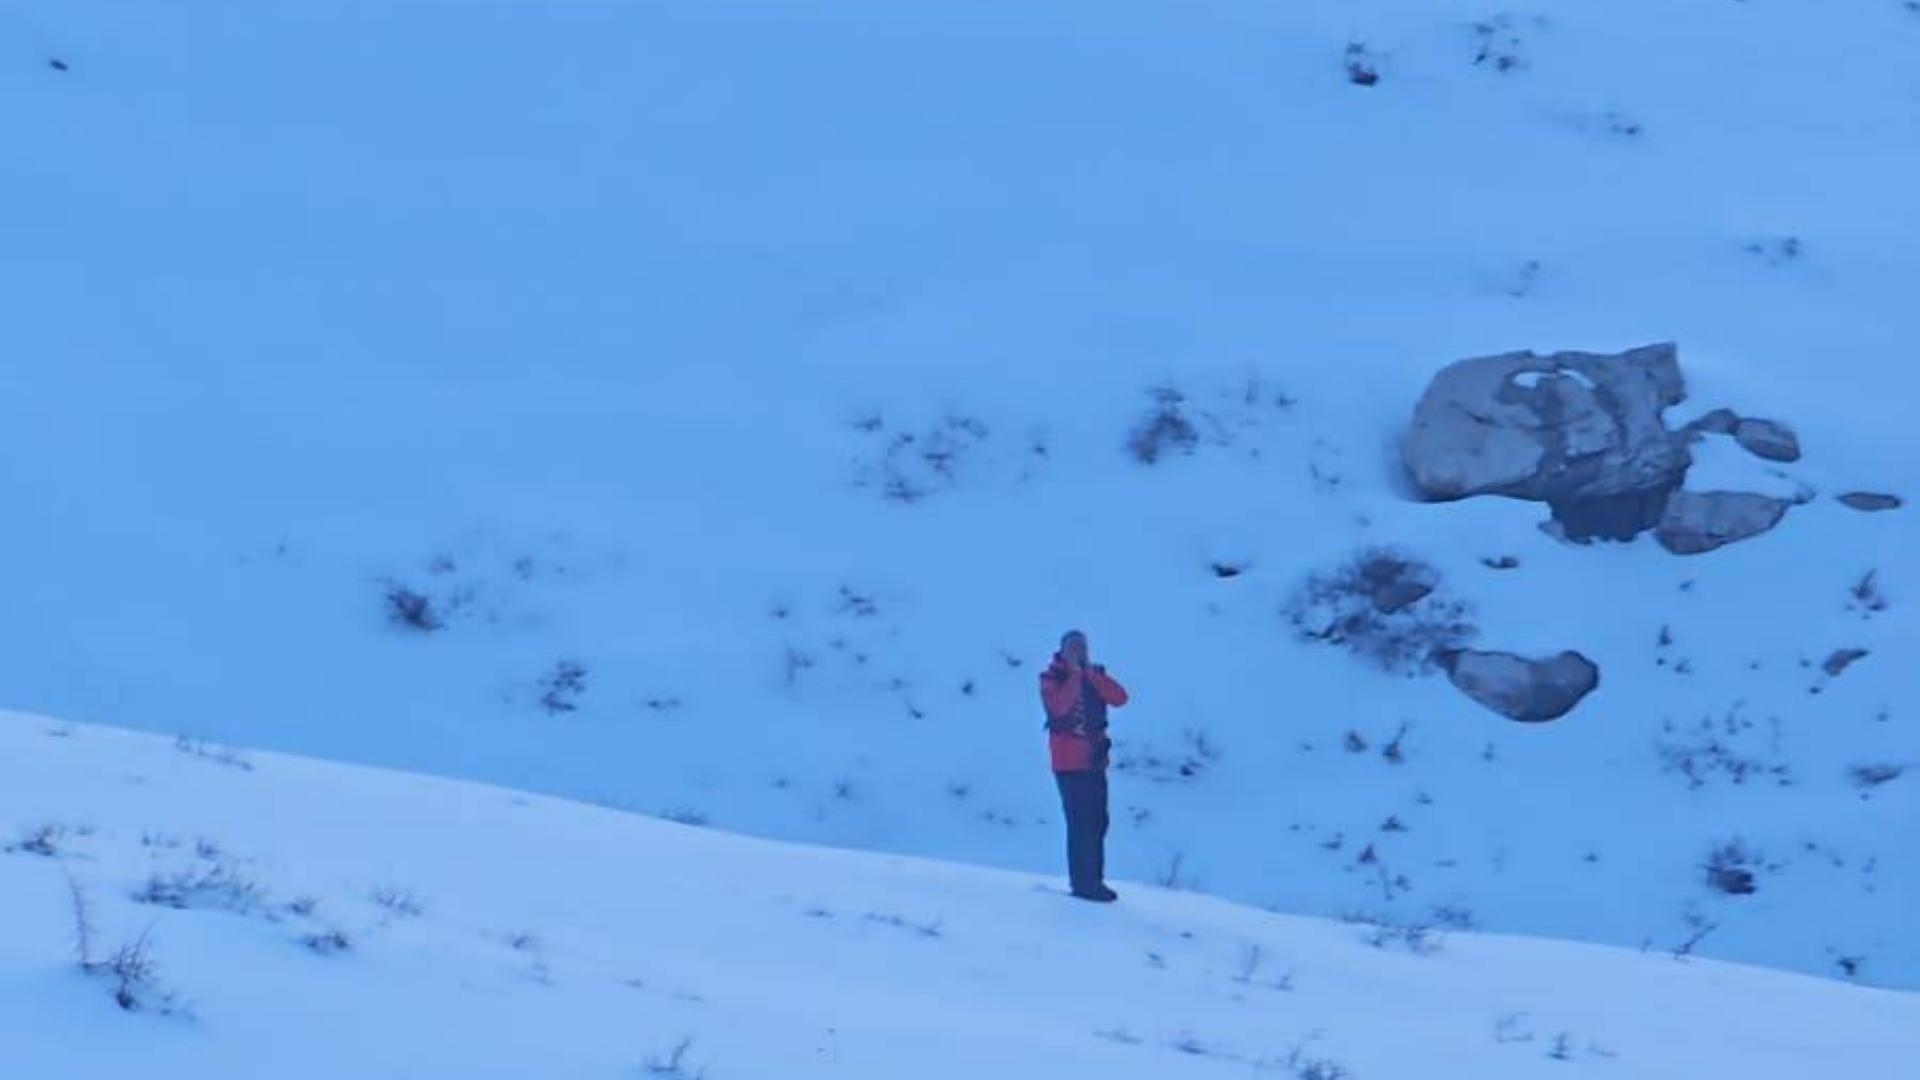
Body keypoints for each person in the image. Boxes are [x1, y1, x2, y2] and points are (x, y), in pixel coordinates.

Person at [1039, 630, 1129, 902]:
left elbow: (1120, 698)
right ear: (1063, 650)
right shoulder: (1051, 678)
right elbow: (1060, 708)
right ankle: (1082, 883)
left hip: (1094, 760)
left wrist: (1091, 675)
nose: (1080, 652)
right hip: (1068, 763)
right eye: (1074, 648)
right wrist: (1076, 676)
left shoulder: (1094, 676)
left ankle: (1095, 880)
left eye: (1083, 647)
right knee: (1080, 823)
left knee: (1098, 821)